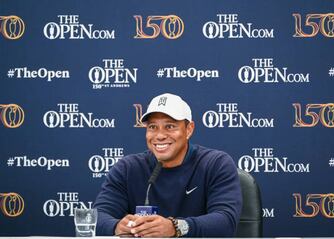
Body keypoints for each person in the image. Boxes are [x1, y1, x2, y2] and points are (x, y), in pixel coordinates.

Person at [93, 93, 242, 237]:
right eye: (152, 127)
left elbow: (225, 222)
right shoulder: (127, 168)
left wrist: (175, 227)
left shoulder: (215, 164)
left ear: (189, 129)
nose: (159, 135)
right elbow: (97, 216)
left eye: (170, 126)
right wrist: (117, 226)